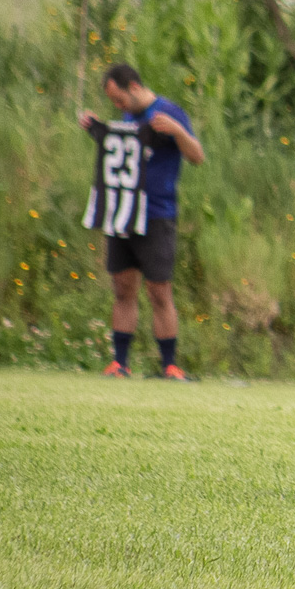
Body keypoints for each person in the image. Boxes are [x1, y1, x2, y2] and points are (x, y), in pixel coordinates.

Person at [78, 64, 205, 379]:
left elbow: (197, 156)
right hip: (122, 214)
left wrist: (177, 131)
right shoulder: (127, 118)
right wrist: (95, 128)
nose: (117, 106)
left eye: (119, 99)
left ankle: (170, 366)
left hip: (158, 215)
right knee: (123, 288)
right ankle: (120, 364)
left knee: (159, 292)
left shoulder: (169, 112)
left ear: (134, 87)